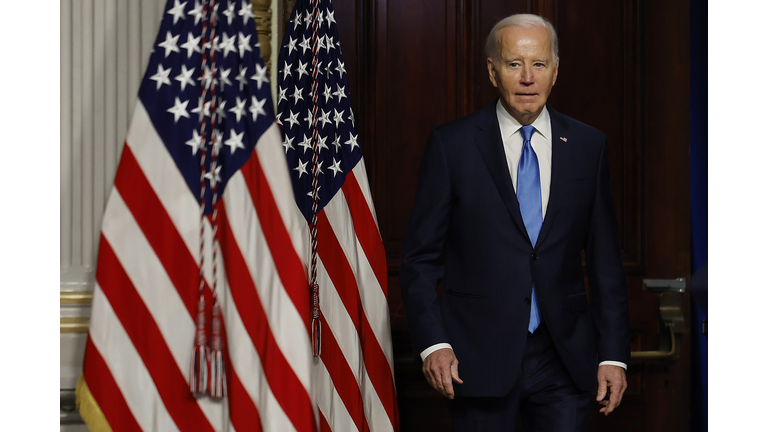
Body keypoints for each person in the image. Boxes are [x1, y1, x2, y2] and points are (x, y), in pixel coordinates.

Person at [400, 13, 631, 431]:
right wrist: (434, 343)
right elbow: (419, 261)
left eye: (539, 64)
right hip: (476, 358)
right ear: (492, 71)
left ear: (555, 71)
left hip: (564, 357)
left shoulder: (587, 145)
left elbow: (605, 262)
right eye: (514, 64)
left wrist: (613, 354)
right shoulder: (452, 146)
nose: (528, 77)